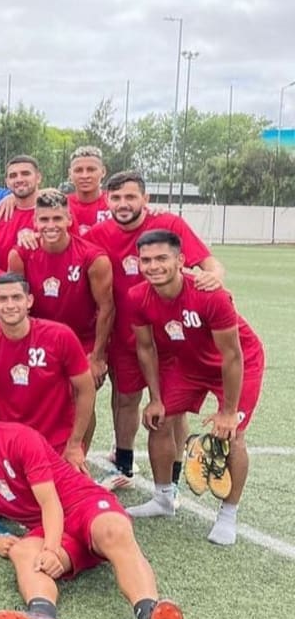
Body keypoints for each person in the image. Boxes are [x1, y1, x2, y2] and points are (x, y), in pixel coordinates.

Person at [0, 380, 185, 619]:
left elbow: (51, 503)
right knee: (22, 551)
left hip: (83, 504)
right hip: (50, 528)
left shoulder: (19, 438)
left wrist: (51, 548)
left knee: (114, 531)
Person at [85, 170, 224, 488]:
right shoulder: (96, 234)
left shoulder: (169, 225)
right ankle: (123, 466)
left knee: (171, 407)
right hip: (126, 333)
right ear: (107, 200)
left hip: (172, 335)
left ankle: (176, 476)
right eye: (116, 197)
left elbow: (209, 264)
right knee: (125, 400)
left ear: (145, 199)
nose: (123, 203)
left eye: (131, 197)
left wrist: (214, 276)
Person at [126, 230, 264, 546]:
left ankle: (228, 513)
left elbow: (232, 355)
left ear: (181, 261)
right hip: (187, 362)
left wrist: (228, 412)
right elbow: (145, 348)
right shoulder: (137, 297)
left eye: (162, 258)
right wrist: (156, 398)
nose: (153, 266)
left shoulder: (210, 294)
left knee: (232, 434)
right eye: (146, 260)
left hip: (237, 362)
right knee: (158, 420)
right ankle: (163, 498)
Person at [0, 273, 96, 470]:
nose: (10, 304)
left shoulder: (60, 336)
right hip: (8, 443)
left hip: (56, 443)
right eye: (3, 299)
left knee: (68, 499)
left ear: (29, 301)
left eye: (17, 297)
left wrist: (74, 445)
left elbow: (86, 390)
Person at [8, 189, 114, 399]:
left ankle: (80, 435)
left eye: (57, 218)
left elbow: (106, 307)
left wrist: (97, 356)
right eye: (44, 219)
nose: (50, 225)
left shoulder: (93, 258)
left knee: (82, 397)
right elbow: (15, 306)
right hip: (38, 338)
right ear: (35, 222)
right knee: (40, 399)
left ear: (69, 219)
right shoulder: (20, 254)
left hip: (83, 340)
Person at [0, 155, 42, 270]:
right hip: (9, 286)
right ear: (7, 182)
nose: (19, 179)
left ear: (38, 177)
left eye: (25, 174)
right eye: (13, 176)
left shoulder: (54, 213)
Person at [66, 146, 111, 235]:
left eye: (91, 170)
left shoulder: (116, 203)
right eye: (78, 170)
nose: (85, 176)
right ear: (70, 174)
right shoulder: (61, 205)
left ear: (103, 172)